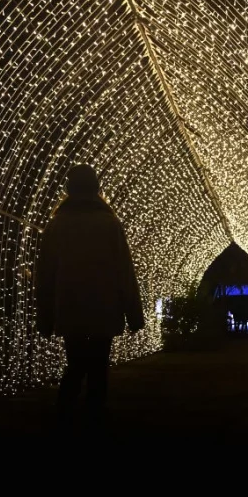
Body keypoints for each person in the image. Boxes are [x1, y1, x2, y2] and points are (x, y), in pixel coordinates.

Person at [36, 164, 144, 434]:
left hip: (69, 305)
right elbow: (124, 270)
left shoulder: (57, 225)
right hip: (103, 306)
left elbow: (46, 274)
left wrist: (45, 316)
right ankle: (94, 415)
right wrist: (133, 312)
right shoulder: (109, 223)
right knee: (98, 364)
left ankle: (64, 410)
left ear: (69, 190)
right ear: (96, 189)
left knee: (75, 362)